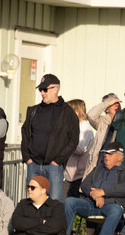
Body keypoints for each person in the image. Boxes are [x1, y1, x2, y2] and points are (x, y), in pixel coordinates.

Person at [64, 141, 125, 235]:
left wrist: (103, 192)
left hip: (110, 205)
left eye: (110, 154)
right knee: (69, 202)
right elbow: (84, 184)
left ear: (119, 157)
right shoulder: (98, 169)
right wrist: (95, 195)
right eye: (105, 153)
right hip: (90, 203)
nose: (106, 156)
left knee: (116, 210)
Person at [21, 73, 79, 202]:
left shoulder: (67, 112)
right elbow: (25, 133)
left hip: (54, 167)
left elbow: (73, 140)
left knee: (54, 204)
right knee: (33, 202)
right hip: (33, 165)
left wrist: (58, 161)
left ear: (55, 89)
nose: (42, 93)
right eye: (40, 90)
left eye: (45, 89)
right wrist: (27, 159)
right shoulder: (34, 110)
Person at [63, 98, 95, 197]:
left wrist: (64, 140)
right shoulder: (75, 126)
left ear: (76, 113)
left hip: (78, 176)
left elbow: (79, 149)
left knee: (70, 202)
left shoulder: (84, 128)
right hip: (69, 175)